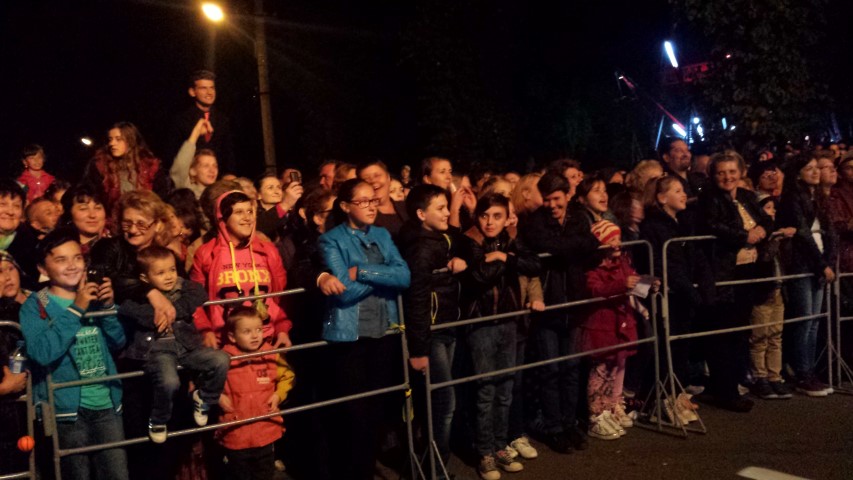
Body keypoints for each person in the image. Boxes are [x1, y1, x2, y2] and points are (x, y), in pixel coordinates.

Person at [317, 179, 410, 479]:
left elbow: (404, 276)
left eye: (374, 200)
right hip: (349, 336)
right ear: (346, 206)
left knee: (376, 412)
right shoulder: (331, 239)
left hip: (384, 330)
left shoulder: (382, 234)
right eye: (364, 201)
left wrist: (364, 272)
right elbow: (344, 292)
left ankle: (367, 469)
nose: (372, 206)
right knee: (353, 415)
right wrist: (384, 278)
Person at [20, 228, 128, 480]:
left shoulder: (94, 295)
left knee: (117, 474)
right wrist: (76, 309)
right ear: (43, 268)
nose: (72, 266)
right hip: (65, 410)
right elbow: (42, 353)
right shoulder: (35, 304)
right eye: (61, 260)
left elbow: (118, 342)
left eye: (77, 258)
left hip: (107, 402)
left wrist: (108, 308)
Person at [461, 194, 540, 479]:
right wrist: (507, 262)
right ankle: (485, 452)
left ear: (507, 218)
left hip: (509, 320)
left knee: (505, 388)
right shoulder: (469, 240)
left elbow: (535, 264)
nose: (490, 222)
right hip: (481, 323)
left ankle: (499, 445)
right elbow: (479, 276)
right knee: (485, 390)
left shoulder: (510, 239)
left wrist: (503, 256)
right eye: (485, 216)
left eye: (497, 216)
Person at [518, 173, 598, 454]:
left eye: (556, 199)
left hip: (574, 303)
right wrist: (576, 247)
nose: (552, 205)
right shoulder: (535, 222)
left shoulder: (578, 218)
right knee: (551, 370)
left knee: (572, 369)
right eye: (547, 199)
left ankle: (569, 422)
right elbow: (549, 245)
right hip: (548, 306)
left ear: (567, 195)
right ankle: (554, 427)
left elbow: (592, 247)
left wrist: (572, 247)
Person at [118, 246, 229, 443]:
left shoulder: (181, 286)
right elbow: (129, 310)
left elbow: (199, 293)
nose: (169, 276)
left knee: (221, 359)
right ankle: (158, 419)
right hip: (158, 350)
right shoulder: (138, 295)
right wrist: (155, 313)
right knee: (170, 382)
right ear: (144, 278)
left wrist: (172, 310)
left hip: (186, 347)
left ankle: (204, 398)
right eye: (160, 273)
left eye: (172, 269)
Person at [697, 150, 773, 412]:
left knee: (740, 331)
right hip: (725, 273)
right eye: (721, 172)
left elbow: (766, 220)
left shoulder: (747, 196)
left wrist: (763, 229)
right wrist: (743, 236)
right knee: (724, 333)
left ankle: (734, 383)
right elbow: (712, 225)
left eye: (732, 171)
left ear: (741, 172)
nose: (727, 177)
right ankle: (726, 391)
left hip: (749, 271)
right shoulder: (709, 198)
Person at [399, 184, 466, 474]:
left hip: (446, 323)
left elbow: (463, 245)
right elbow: (417, 300)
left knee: (436, 402)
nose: (446, 213)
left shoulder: (439, 238)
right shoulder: (420, 248)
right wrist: (418, 349)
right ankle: (435, 468)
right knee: (443, 403)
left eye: (446, 207)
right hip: (432, 332)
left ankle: (432, 465)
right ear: (420, 214)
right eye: (440, 208)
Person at [639, 176, 710, 422]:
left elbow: (694, 256)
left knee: (681, 347)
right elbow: (664, 263)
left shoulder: (682, 222)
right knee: (667, 348)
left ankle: (676, 394)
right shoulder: (653, 226)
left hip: (683, 294)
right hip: (670, 294)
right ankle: (659, 399)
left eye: (683, 190)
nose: (683, 195)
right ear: (661, 198)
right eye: (677, 191)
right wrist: (689, 290)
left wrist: (704, 286)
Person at [191, 191, 292, 349]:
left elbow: (281, 296)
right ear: (223, 219)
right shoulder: (206, 254)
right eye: (239, 212)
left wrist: (282, 329)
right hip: (224, 343)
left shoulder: (268, 251)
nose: (247, 218)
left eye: (250, 211)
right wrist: (205, 330)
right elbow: (194, 300)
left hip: (266, 340)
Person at [777, 153, 837, 396]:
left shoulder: (818, 197)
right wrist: (822, 264)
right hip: (803, 264)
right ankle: (802, 372)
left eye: (816, 167)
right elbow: (802, 234)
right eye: (808, 168)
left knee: (814, 322)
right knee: (804, 320)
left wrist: (828, 260)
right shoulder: (793, 198)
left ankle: (809, 371)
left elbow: (829, 232)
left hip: (819, 263)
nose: (815, 171)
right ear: (798, 173)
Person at [217, 306, 294, 480]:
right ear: (232, 336)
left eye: (258, 330)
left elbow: (288, 376)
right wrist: (218, 397)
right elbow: (205, 383)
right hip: (235, 432)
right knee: (239, 474)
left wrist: (278, 395)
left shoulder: (271, 354)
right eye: (247, 331)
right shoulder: (223, 359)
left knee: (264, 473)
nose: (255, 335)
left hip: (265, 430)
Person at [582, 220, 640, 440]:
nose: (617, 243)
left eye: (618, 238)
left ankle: (608, 408)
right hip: (602, 326)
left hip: (619, 323)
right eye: (611, 239)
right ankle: (596, 414)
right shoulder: (594, 268)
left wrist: (646, 286)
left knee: (613, 369)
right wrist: (622, 284)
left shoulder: (622, 262)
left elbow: (632, 280)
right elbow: (595, 289)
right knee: (600, 372)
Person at [748, 194, 795, 400]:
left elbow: (786, 262)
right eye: (768, 208)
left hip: (778, 289)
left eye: (773, 208)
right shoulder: (758, 237)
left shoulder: (777, 236)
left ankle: (774, 376)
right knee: (760, 336)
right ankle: (760, 377)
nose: (772, 212)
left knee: (776, 335)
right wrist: (774, 239)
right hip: (762, 291)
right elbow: (764, 258)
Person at [0, 251, 31, 476]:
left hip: (26, 403)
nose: (6, 276)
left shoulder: (38, 299)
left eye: (11, 269)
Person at [169, 70, 236, 175]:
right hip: (190, 177)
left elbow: (228, 153)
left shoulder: (223, 120)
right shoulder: (181, 120)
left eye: (212, 88)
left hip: (217, 178)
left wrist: (229, 175)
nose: (209, 92)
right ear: (192, 92)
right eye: (203, 88)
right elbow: (173, 153)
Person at [0, 179, 39, 289]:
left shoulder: (32, 246)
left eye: (17, 206)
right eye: (2, 204)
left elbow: (41, 287)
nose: (10, 212)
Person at [357, 160, 409, 241]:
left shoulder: (407, 207)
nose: (373, 181)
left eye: (377, 175)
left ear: (388, 178)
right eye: (366, 179)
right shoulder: (362, 218)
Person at [169, 118, 219, 199]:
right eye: (206, 166)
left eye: (215, 166)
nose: (212, 170)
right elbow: (180, 166)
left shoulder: (221, 194)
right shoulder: (187, 191)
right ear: (192, 171)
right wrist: (196, 133)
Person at [58, 184, 110, 256]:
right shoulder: (58, 246)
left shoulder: (117, 246)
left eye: (98, 208)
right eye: (83, 209)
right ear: (69, 213)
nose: (92, 215)